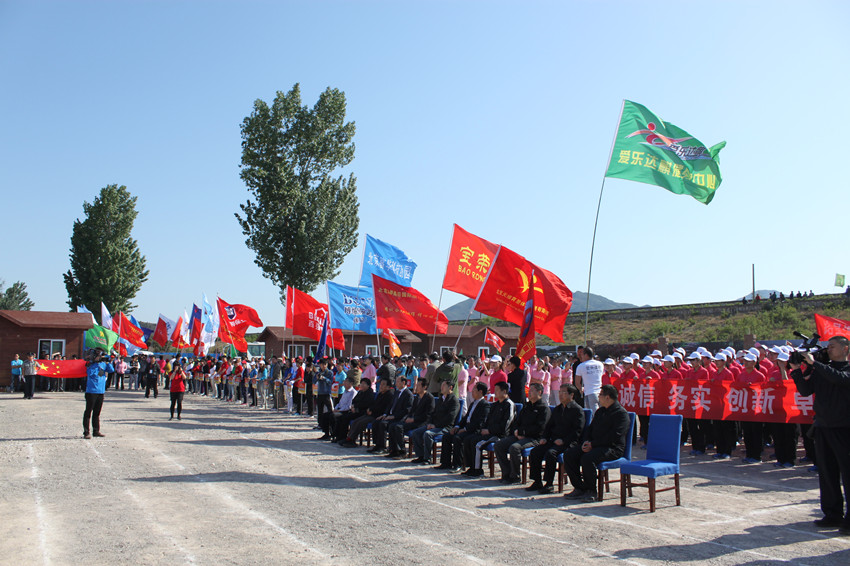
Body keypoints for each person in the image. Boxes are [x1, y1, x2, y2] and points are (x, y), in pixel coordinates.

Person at [790, 336, 850, 534]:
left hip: (844, 428)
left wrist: (815, 363)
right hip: (823, 426)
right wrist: (796, 370)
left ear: (845, 349)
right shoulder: (822, 370)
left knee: (847, 473)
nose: (828, 350)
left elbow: (840, 379)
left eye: (832, 346)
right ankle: (832, 514)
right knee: (827, 472)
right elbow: (806, 391)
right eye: (828, 347)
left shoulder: (845, 369)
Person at [563, 384, 630, 502]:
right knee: (569, 454)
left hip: (612, 448)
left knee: (587, 458)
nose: (599, 397)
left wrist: (593, 445)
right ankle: (579, 487)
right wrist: (586, 442)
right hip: (594, 445)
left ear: (607, 397)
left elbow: (614, 436)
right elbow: (590, 429)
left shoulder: (621, 414)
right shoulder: (600, 411)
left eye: (600, 395)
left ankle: (591, 491)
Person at [526, 383, 585, 494]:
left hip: (568, 442)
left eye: (563, 392)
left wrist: (564, 441)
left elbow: (577, 431)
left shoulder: (577, 410)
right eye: (559, 392)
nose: (560, 395)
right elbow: (549, 426)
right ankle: (537, 481)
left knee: (551, 453)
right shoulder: (558, 409)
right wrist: (544, 437)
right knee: (535, 451)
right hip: (554, 440)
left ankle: (549, 484)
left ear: (571, 395)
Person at [494, 382, 551, 483]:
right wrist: (517, 431)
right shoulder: (527, 406)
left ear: (539, 392)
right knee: (499, 445)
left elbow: (540, 428)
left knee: (514, 447)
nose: (529, 392)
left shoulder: (544, 408)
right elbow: (517, 421)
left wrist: (523, 433)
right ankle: (507, 473)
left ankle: (515, 476)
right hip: (519, 435)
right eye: (529, 390)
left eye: (532, 390)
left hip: (534, 438)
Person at [462, 381, 515, 477]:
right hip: (489, 432)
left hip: (500, 435)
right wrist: (483, 429)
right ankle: (471, 467)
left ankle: (478, 470)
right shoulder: (495, 405)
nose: (495, 392)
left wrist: (490, 431)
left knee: (477, 443)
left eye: (497, 390)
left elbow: (506, 425)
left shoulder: (509, 404)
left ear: (504, 391)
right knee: (468, 439)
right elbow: (487, 420)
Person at [435, 381, 490, 472]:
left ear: (480, 392)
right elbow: (465, 418)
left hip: (473, 430)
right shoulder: (472, 403)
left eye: (474, 389)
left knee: (458, 438)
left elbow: (479, 423)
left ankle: (458, 465)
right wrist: (457, 426)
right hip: (466, 428)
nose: (472, 391)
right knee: (447, 436)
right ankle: (445, 463)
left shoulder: (485, 405)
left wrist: (465, 429)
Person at [410, 380, 460, 464]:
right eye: (441, 385)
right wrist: (430, 423)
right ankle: (420, 455)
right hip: (435, 425)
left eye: (444, 385)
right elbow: (433, 413)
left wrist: (436, 425)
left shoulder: (454, 400)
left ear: (450, 387)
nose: (441, 387)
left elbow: (450, 417)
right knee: (416, 433)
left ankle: (427, 458)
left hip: (445, 427)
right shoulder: (441, 399)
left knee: (428, 434)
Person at [386, 377, 434, 458]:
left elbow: (428, 415)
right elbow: (411, 410)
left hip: (422, 422)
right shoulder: (417, 397)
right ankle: (394, 450)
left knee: (399, 427)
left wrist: (414, 419)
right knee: (392, 426)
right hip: (413, 420)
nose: (416, 387)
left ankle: (402, 451)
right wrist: (407, 418)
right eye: (416, 385)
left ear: (424, 387)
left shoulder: (429, 398)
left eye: (418, 386)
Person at [370, 374, 414, 454]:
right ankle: (377, 445)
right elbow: (390, 405)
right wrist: (385, 415)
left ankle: (384, 447)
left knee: (384, 424)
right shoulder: (396, 393)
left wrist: (393, 416)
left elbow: (406, 410)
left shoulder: (408, 394)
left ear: (403, 383)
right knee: (376, 422)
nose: (396, 383)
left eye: (398, 382)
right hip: (390, 416)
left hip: (399, 418)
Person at [83, 349, 115, 438]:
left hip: (100, 391)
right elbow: (91, 374)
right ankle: (86, 432)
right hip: (91, 391)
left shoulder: (103, 364)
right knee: (88, 412)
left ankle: (96, 431)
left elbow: (111, 370)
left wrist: (108, 362)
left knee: (97, 413)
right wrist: (96, 364)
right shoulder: (90, 365)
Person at [574, 346, 604, 414]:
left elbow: (577, 382)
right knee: (602, 413)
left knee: (591, 414)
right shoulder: (600, 364)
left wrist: (580, 389)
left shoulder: (581, 366)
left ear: (586, 355)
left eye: (582, 354)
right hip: (601, 392)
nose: (581, 356)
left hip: (590, 393)